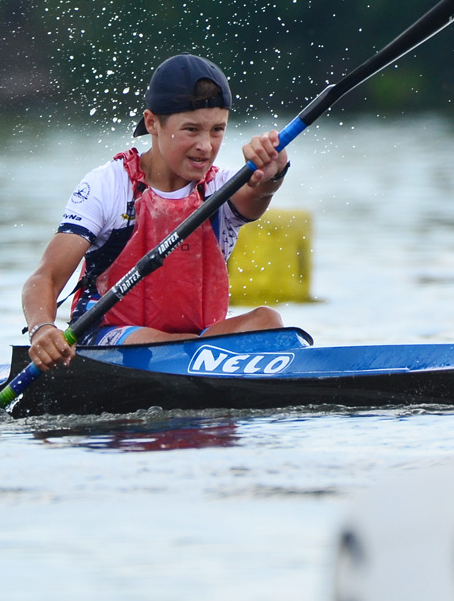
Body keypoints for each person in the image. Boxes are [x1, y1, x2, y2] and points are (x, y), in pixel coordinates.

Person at [22, 53, 290, 372]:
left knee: (268, 322)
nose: (206, 145)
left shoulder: (221, 187)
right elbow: (46, 277)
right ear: (152, 123)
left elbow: (258, 193)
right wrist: (43, 329)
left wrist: (274, 172)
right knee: (160, 343)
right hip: (107, 341)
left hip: (196, 344)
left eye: (217, 130)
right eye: (191, 129)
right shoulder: (108, 185)